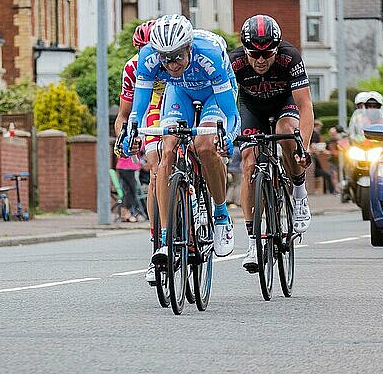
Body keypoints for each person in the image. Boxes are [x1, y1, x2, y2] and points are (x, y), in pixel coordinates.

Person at [123, 14, 240, 265]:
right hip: (180, 91)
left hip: (214, 93)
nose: (172, 63)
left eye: (177, 56)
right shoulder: (149, 58)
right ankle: (165, 239)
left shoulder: (209, 54)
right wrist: (130, 131)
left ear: (188, 47)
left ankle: (221, 215)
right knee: (168, 150)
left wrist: (228, 135)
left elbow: (231, 114)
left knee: (205, 145)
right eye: (165, 58)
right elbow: (137, 110)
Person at [228, 14, 313, 273]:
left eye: (268, 54)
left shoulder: (290, 57)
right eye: (255, 53)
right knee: (249, 162)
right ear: (245, 49)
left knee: (286, 131)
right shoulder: (234, 62)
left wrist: (304, 148)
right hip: (251, 108)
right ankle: (254, 242)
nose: (261, 60)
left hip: (283, 105)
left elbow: (305, 106)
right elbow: (225, 103)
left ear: (277, 48)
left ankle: (299, 192)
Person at [114, 19, 166, 283]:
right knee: (157, 172)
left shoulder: (176, 60)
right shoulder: (133, 68)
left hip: (181, 103)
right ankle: (158, 244)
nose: (149, 56)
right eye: (142, 49)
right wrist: (125, 139)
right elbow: (124, 115)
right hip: (151, 113)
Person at [115, 156, 140, 222]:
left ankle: (125, 214)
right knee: (131, 192)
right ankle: (128, 214)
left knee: (126, 191)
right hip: (129, 167)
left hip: (121, 166)